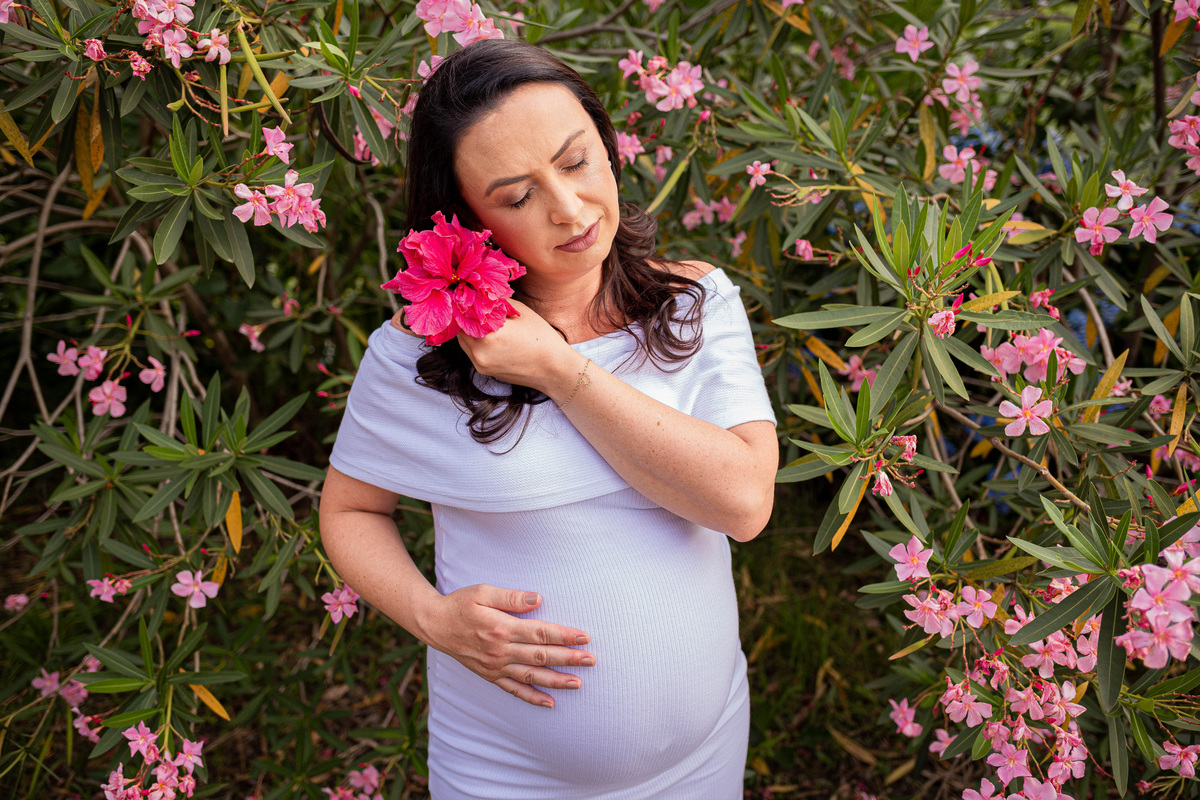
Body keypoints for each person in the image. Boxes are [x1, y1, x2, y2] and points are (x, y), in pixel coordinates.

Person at [318, 39, 778, 799]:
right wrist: (432, 618)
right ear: (464, 219)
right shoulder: (417, 355)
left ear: (607, 146)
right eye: (517, 195)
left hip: (705, 755)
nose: (569, 210)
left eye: (576, 162)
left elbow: (743, 503)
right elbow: (351, 509)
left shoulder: (693, 302)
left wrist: (560, 371)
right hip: (507, 770)